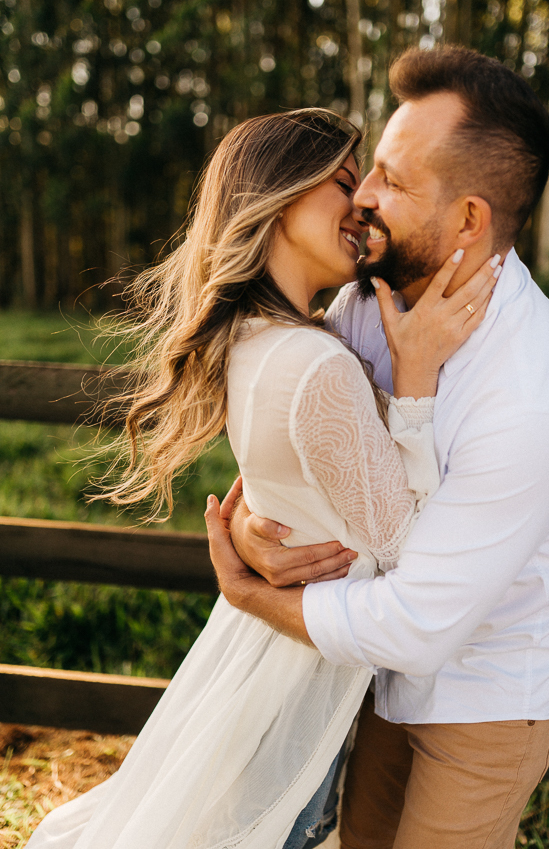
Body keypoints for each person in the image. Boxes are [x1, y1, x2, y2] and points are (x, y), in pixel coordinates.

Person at [26, 109, 497, 849]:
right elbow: (411, 552)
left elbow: (286, 494)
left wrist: (251, 538)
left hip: (265, 664)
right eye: (342, 182)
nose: (363, 202)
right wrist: (415, 384)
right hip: (293, 691)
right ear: (278, 196)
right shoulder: (315, 364)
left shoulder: (258, 339)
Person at [206, 47, 549, 849]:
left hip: (489, 690)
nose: (363, 201)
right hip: (381, 670)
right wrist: (254, 526)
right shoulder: (363, 301)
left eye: (391, 181)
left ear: (468, 220)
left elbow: (419, 621)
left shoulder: (533, 395)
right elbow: (303, 439)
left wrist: (255, 596)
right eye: (365, 175)